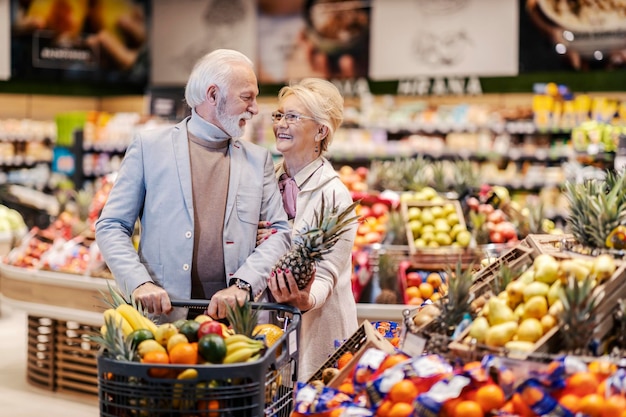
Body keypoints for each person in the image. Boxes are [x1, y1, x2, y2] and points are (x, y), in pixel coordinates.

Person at [95, 49, 291, 322]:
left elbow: (280, 232)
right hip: (165, 316)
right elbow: (111, 225)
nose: (255, 109)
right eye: (247, 97)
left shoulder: (258, 160)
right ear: (213, 95)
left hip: (237, 321)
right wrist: (139, 283)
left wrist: (244, 284)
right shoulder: (149, 148)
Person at [258, 78, 359, 381]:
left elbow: (326, 272)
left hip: (319, 332)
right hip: (270, 330)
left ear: (320, 131)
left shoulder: (335, 195)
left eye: (293, 116)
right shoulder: (265, 183)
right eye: (279, 115)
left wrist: (304, 299)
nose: (281, 125)